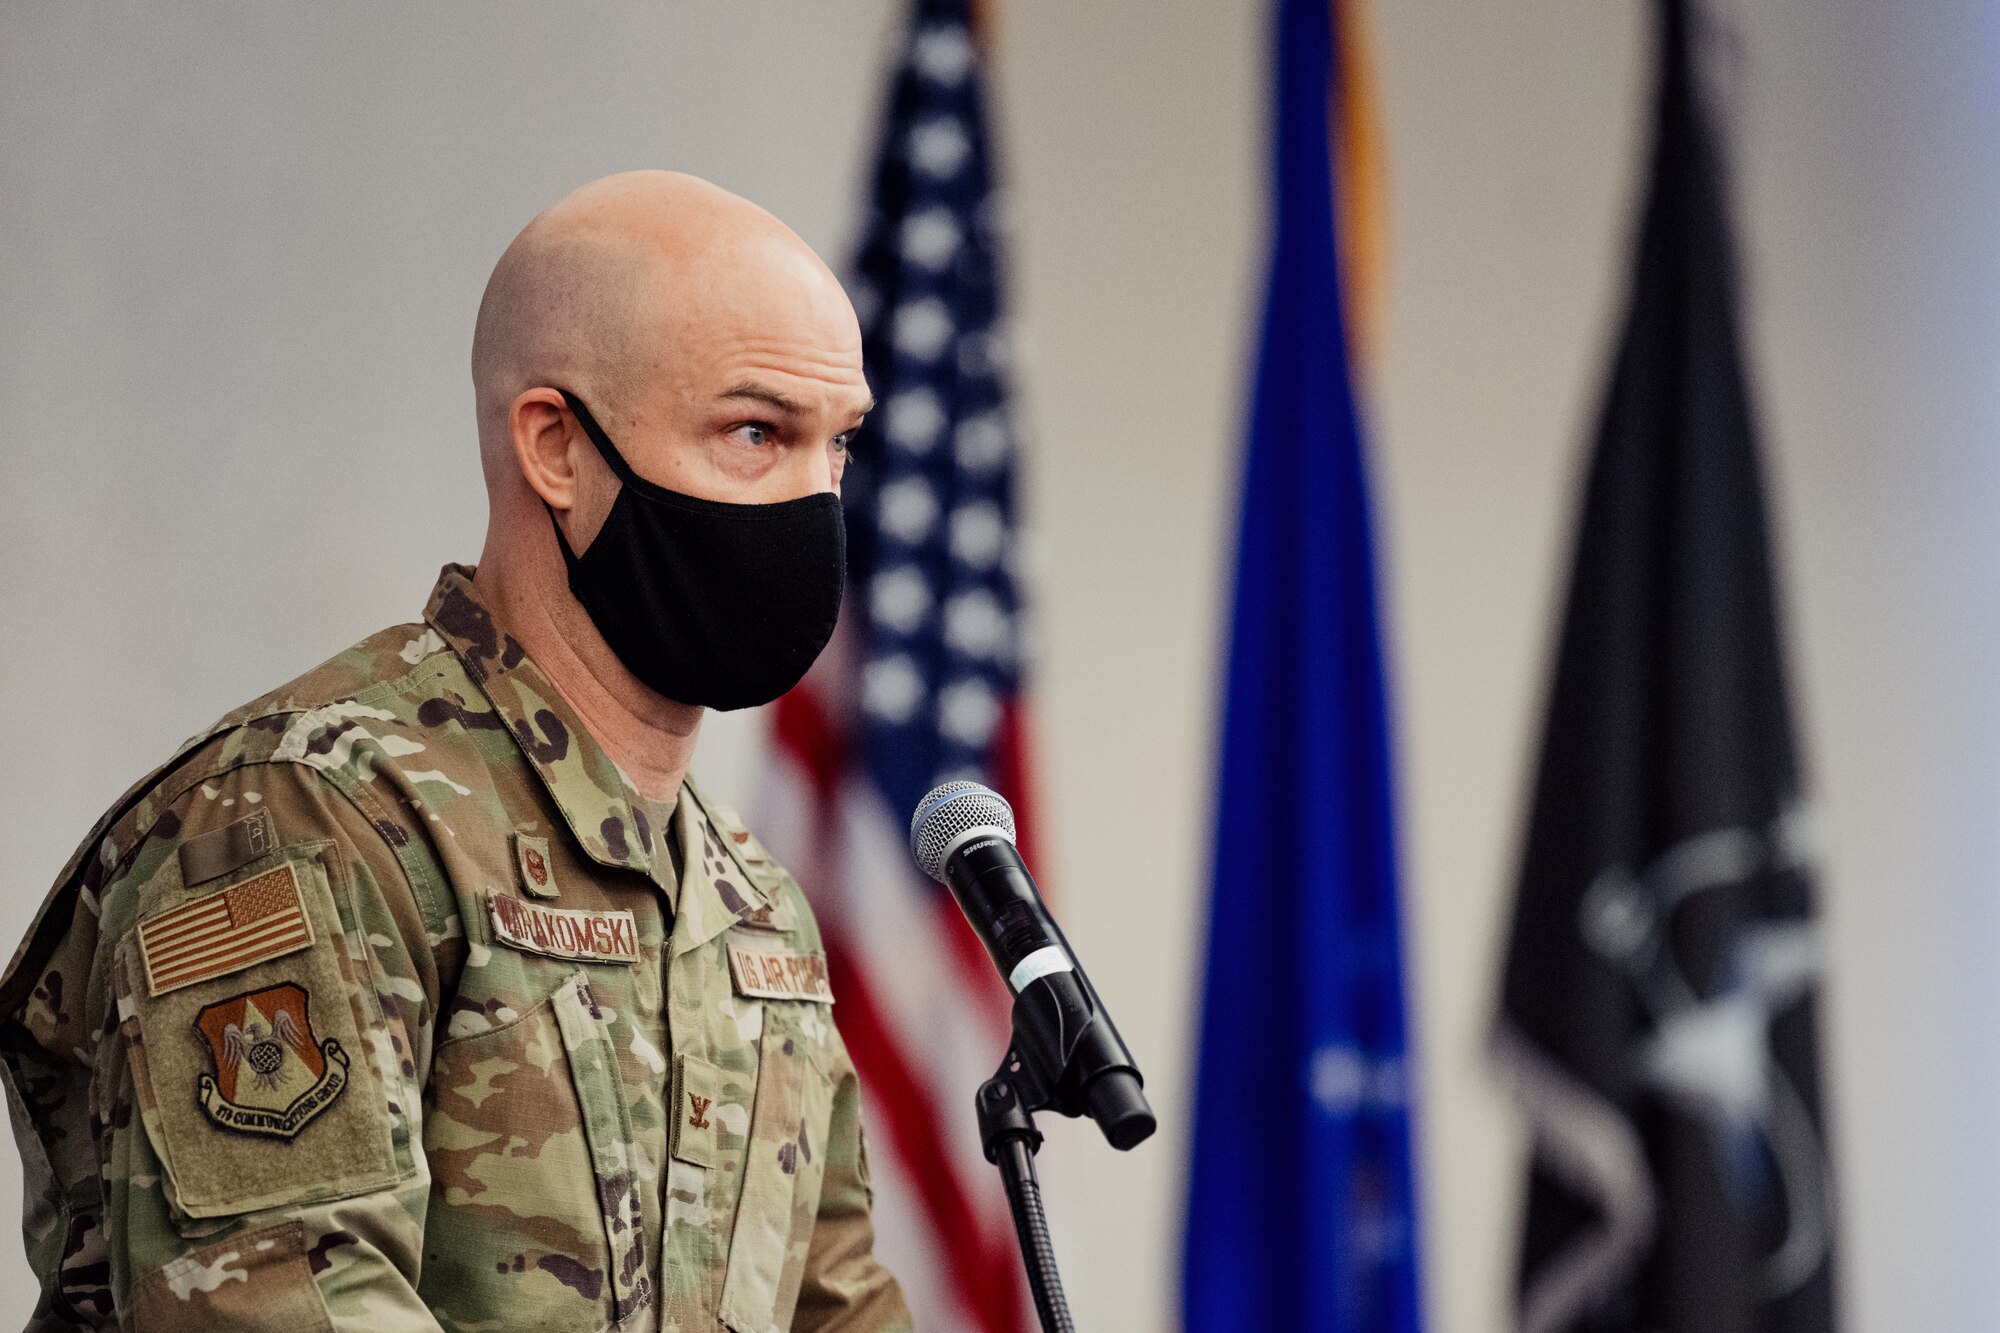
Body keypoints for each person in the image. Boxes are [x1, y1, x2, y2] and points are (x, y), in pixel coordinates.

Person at [0, 171, 912, 1333]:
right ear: (555, 449)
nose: (816, 500)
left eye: (837, 446)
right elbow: (286, 1302)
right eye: (754, 432)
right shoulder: (306, 817)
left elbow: (838, 1307)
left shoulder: (747, 904)